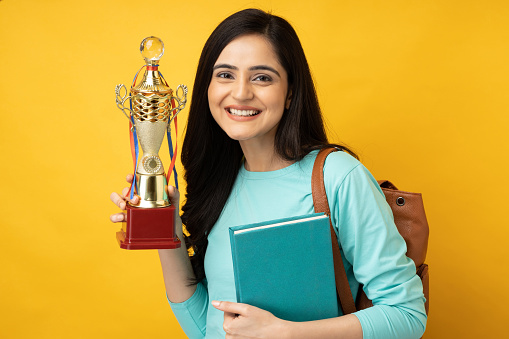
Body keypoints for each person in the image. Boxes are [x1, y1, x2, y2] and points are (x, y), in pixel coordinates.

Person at [110, 8, 427, 339]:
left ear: (290, 92)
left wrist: (285, 333)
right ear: (207, 87)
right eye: (225, 75)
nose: (241, 92)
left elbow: (407, 316)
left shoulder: (337, 176)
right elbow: (206, 328)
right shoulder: (218, 181)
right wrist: (166, 229)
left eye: (262, 77)